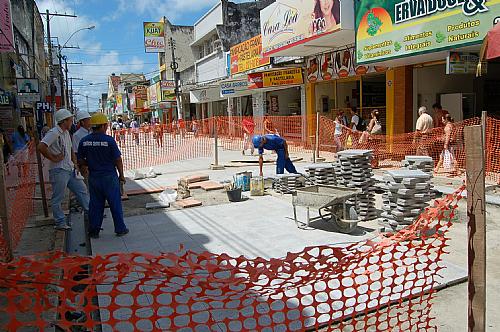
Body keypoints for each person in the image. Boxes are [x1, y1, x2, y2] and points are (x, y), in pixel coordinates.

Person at [78, 113, 128, 239]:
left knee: (95, 204)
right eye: (106, 125)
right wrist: (121, 175)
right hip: (109, 177)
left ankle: (94, 231)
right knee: (115, 203)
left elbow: (80, 160)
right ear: (103, 126)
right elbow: (118, 160)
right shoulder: (109, 140)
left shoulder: (84, 141)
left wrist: (89, 164)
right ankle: (120, 229)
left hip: (94, 177)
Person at [38, 109, 89, 230]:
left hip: (69, 169)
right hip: (59, 170)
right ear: (64, 121)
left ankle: (90, 213)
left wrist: (74, 163)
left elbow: (70, 149)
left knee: (82, 190)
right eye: (70, 120)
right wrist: (53, 157)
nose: (72, 121)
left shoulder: (66, 133)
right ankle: (60, 222)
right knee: (58, 198)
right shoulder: (54, 133)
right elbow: (41, 146)